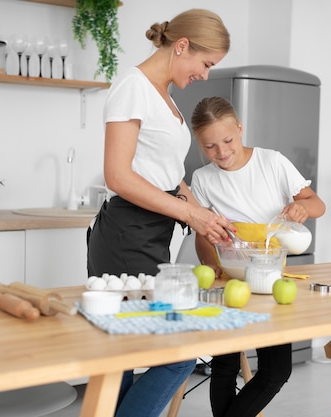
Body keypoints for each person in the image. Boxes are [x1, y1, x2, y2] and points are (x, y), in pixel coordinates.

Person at [86, 10, 233, 417]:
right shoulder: (133, 88)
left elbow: (169, 176)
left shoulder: (163, 95)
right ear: (182, 46)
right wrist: (190, 217)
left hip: (149, 233)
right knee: (178, 350)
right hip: (126, 234)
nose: (205, 75)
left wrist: (206, 215)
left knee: (125, 355)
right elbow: (118, 175)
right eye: (206, 64)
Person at [189, 96, 326, 417]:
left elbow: (317, 203)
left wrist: (302, 207)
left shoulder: (272, 162)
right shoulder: (203, 179)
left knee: (276, 371)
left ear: (240, 129)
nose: (221, 152)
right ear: (199, 144)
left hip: (268, 281)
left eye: (227, 140)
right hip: (229, 280)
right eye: (210, 147)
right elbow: (203, 235)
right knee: (224, 366)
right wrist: (212, 267)